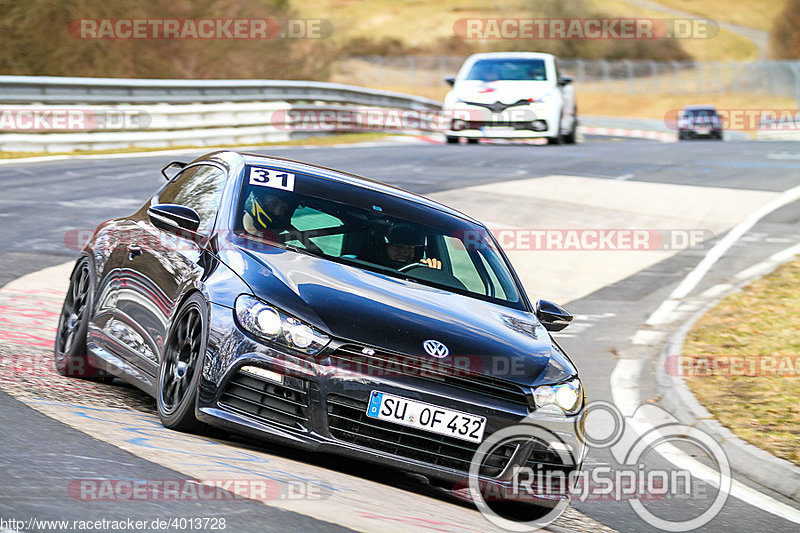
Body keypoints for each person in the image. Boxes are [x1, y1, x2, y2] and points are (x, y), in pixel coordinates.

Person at [371, 224, 441, 270]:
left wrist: (431, 271)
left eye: (410, 248)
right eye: (398, 247)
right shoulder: (369, 268)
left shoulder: (419, 273)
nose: (405, 253)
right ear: (384, 248)